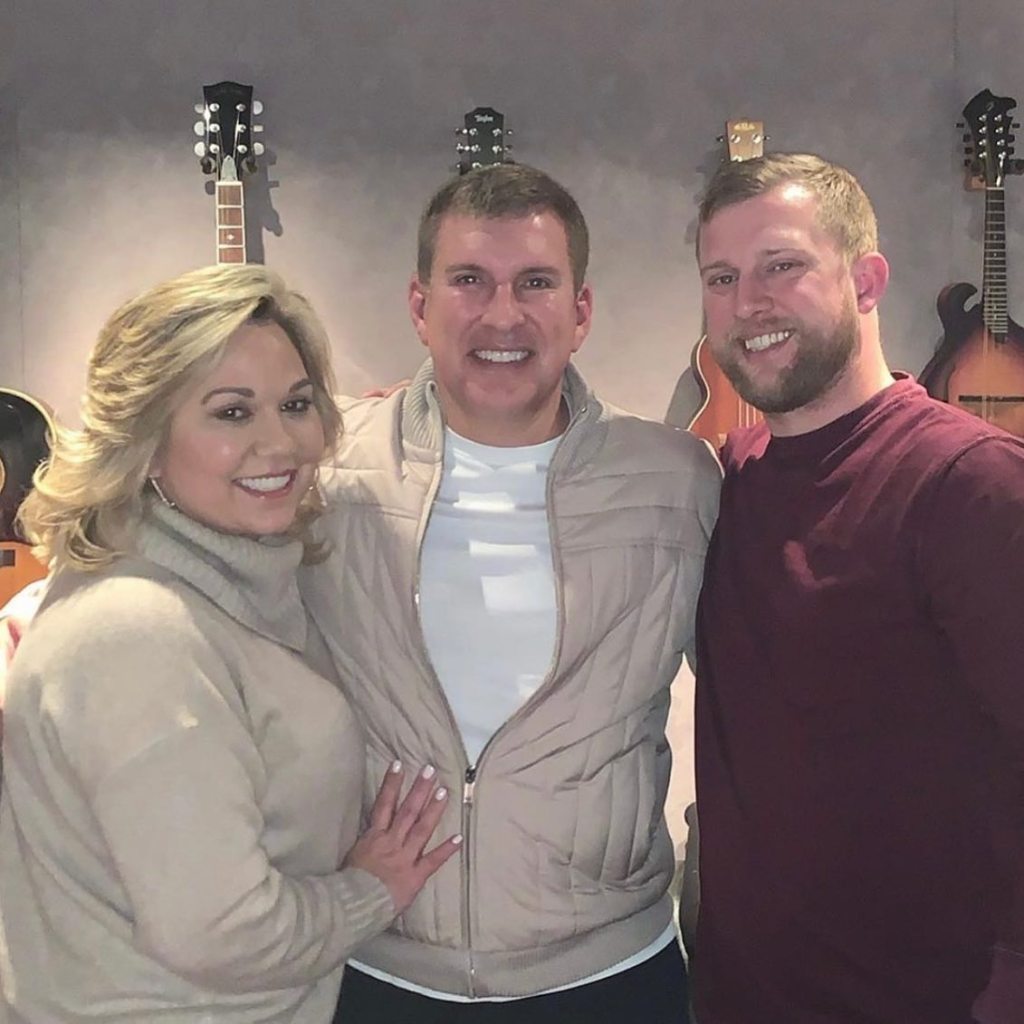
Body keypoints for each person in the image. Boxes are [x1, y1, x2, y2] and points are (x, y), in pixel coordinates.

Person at [293, 163, 721, 1021]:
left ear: (580, 310)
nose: (502, 314)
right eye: (469, 280)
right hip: (381, 966)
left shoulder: (677, 481)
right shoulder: (326, 470)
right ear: (419, 305)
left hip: (610, 971)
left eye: (535, 282)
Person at [0, 263, 461, 1023]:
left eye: (297, 404)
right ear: (146, 441)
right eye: (232, 413)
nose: (279, 442)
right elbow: (224, 932)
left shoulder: (229, 580)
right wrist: (369, 892)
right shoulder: (139, 633)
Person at [691, 152, 1024, 1023]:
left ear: (867, 280)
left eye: (781, 266)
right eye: (722, 278)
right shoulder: (727, 475)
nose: (747, 303)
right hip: (740, 998)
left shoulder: (972, 484)